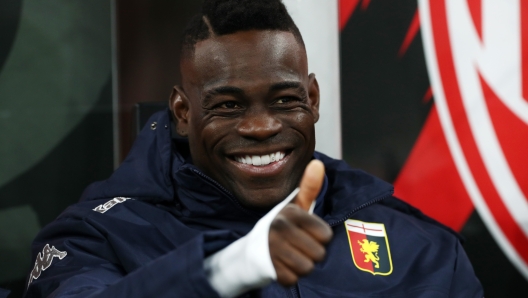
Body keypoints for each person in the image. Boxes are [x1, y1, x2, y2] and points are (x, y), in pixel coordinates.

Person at [24, 0, 483, 297]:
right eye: (227, 105)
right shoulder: (99, 237)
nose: (262, 127)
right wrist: (234, 267)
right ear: (183, 112)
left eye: (285, 100)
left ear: (313, 100)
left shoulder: (417, 245)